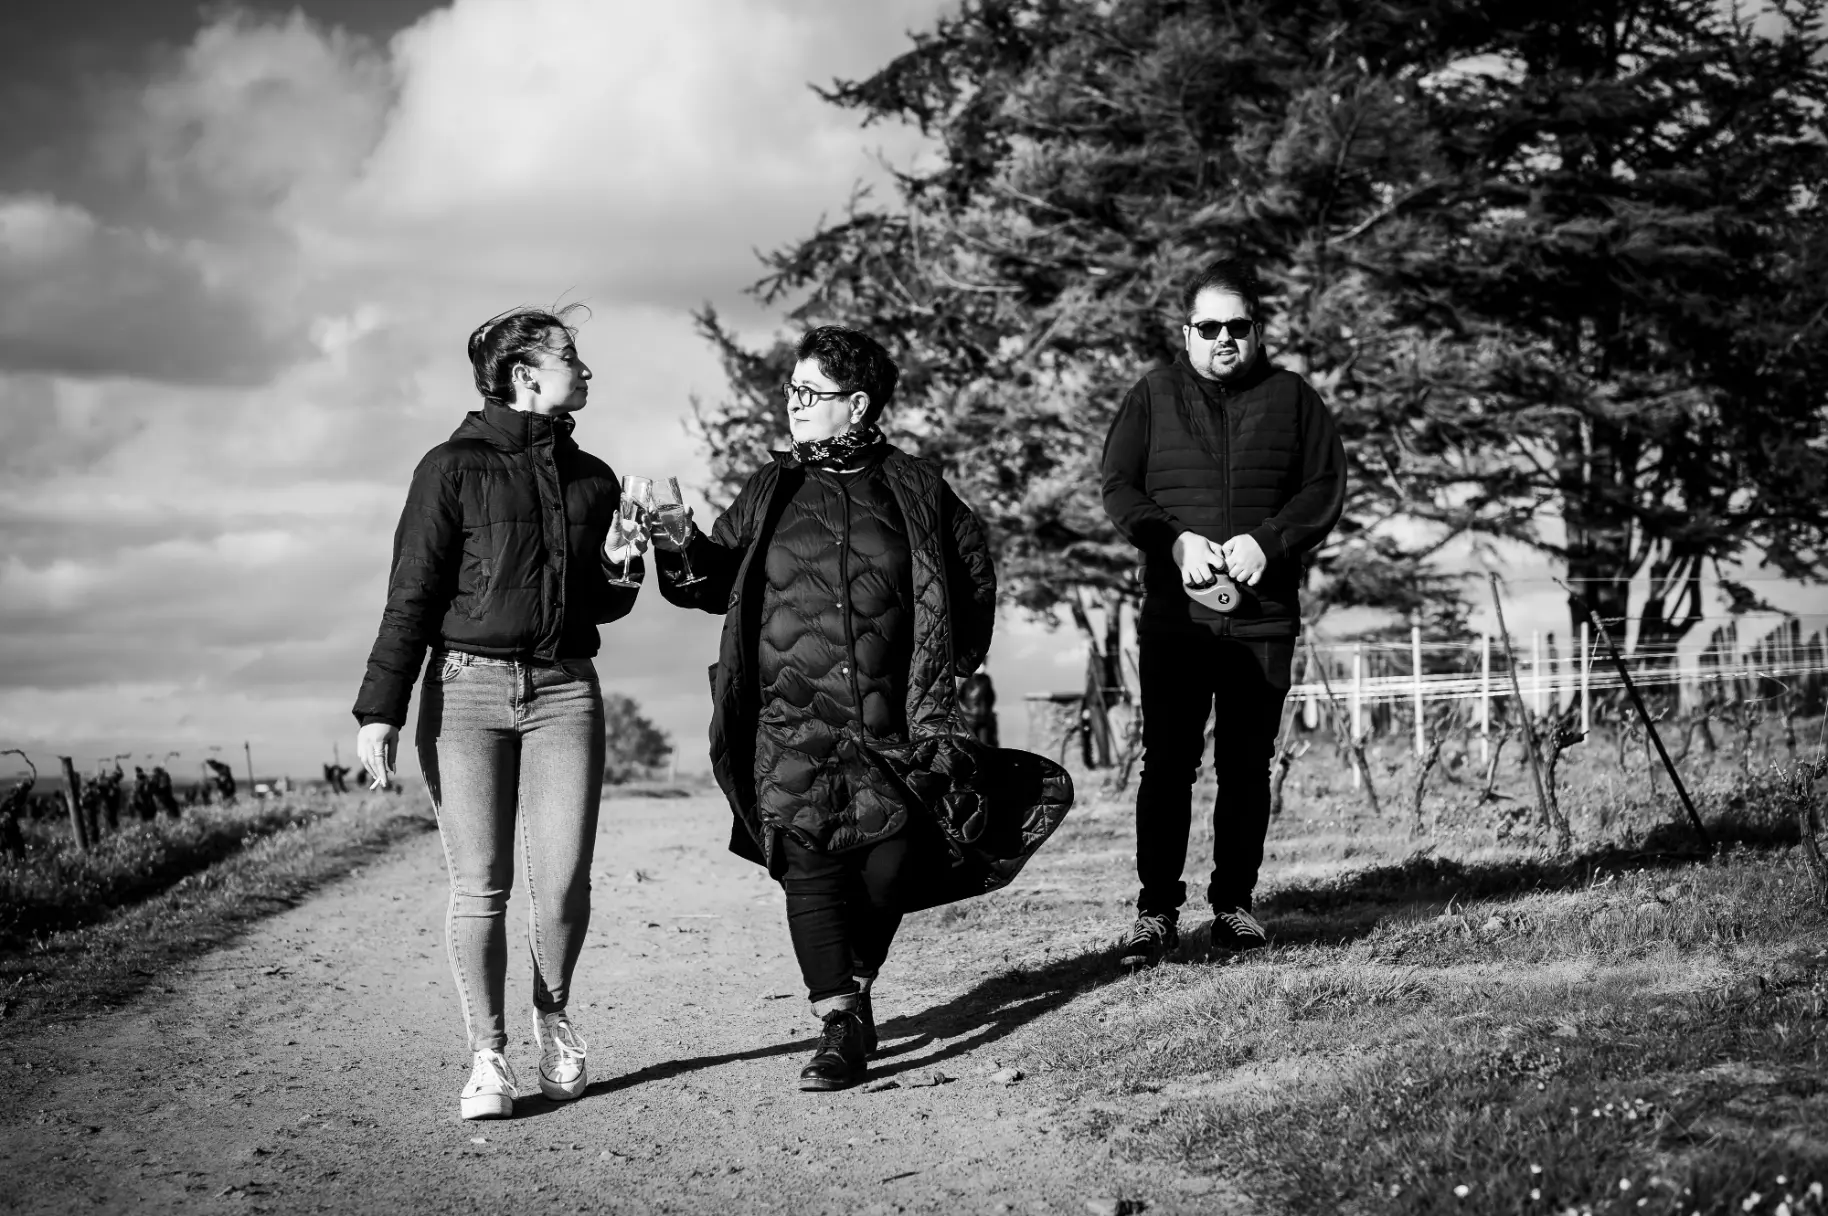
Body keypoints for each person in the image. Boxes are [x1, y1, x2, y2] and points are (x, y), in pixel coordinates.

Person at [652, 325, 997, 1092]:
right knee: (806, 864)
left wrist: (953, 662)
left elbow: (971, 569)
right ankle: (840, 1022)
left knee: (890, 865)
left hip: (890, 719)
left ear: (859, 404)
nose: (794, 405)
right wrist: (677, 546)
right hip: (787, 717)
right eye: (792, 391)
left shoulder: (913, 486)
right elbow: (709, 582)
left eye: (811, 393)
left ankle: (857, 984)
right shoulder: (770, 487)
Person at [351, 306, 646, 1120]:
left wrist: (622, 569)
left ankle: (553, 1019)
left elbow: (601, 609)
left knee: (561, 887)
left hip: (564, 692)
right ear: (525, 375)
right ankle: (487, 1054)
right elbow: (411, 594)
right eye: (572, 360)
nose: (586, 373)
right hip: (466, 691)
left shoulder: (596, 478)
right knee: (481, 888)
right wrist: (380, 709)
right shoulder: (448, 467)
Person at [1100, 257, 1346, 968]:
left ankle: (1234, 907)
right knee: (1167, 765)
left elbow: (1325, 487)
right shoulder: (1151, 397)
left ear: (1258, 331)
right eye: (1209, 328)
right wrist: (1172, 540)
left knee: (1247, 766)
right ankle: (1156, 912)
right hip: (1177, 620)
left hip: (1265, 617)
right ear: (1187, 333)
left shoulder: (1295, 399)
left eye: (1238, 327)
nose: (1224, 339)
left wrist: (1269, 541)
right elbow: (1118, 488)